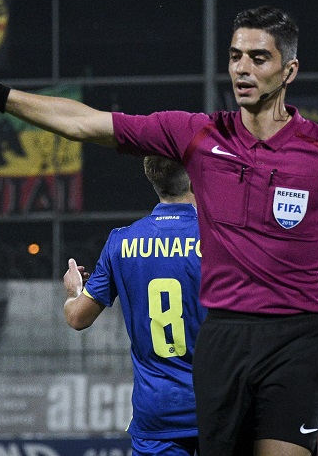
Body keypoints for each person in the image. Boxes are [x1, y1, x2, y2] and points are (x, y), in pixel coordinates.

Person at [0, 5, 318, 456]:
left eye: (259, 58)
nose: (242, 68)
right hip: (223, 341)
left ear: (289, 70)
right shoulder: (198, 134)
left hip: (296, 340)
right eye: (235, 56)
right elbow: (83, 122)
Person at [63, 156, 205, 456]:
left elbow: (77, 318)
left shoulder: (121, 242)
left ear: (153, 181)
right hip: (216, 407)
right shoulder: (218, 239)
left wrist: (75, 290)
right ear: (194, 178)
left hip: (156, 412)